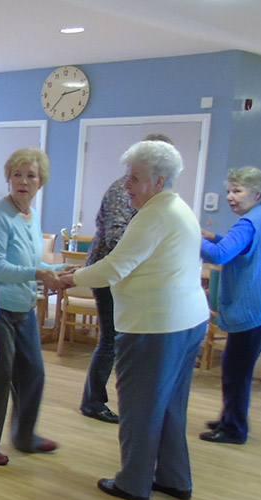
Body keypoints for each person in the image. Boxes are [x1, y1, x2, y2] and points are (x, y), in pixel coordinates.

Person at [60, 140, 209, 500]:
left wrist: (71, 278)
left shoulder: (155, 215)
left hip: (155, 327)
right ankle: (174, 478)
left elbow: (115, 266)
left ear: (159, 182)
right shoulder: (176, 207)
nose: (127, 186)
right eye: (129, 177)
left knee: (140, 408)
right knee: (171, 405)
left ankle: (133, 482)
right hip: (186, 321)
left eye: (135, 179)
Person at [0, 147, 65, 465]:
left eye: (30, 176)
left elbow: (29, 258)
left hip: (24, 306)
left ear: (41, 182)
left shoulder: (30, 214)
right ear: (8, 179)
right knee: (0, 377)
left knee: (34, 373)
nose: (23, 181)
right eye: (17, 175)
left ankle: (25, 436)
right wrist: (38, 272)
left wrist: (49, 271)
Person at [79, 134, 174, 424]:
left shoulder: (155, 196)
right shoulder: (123, 191)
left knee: (115, 339)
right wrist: (149, 247)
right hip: (106, 273)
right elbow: (117, 236)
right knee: (111, 339)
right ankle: (93, 401)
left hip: (121, 274)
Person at [198, 167, 261, 444]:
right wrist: (211, 236)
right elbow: (239, 247)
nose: (230, 196)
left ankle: (234, 429)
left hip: (257, 308)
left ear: (257, 193)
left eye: (237, 191)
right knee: (234, 365)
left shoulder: (248, 223)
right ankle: (230, 418)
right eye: (229, 190)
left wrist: (188, 235)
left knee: (236, 369)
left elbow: (221, 256)